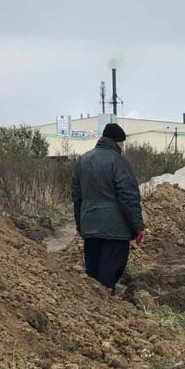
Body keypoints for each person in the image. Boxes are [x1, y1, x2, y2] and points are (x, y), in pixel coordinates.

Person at [71, 122, 145, 293]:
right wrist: (138, 226)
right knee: (108, 276)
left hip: (90, 227)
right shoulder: (119, 162)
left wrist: (80, 225)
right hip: (115, 230)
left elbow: (77, 197)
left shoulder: (83, 160)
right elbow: (128, 196)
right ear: (118, 142)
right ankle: (107, 302)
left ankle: (96, 304)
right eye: (122, 144)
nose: (122, 147)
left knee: (93, 276)